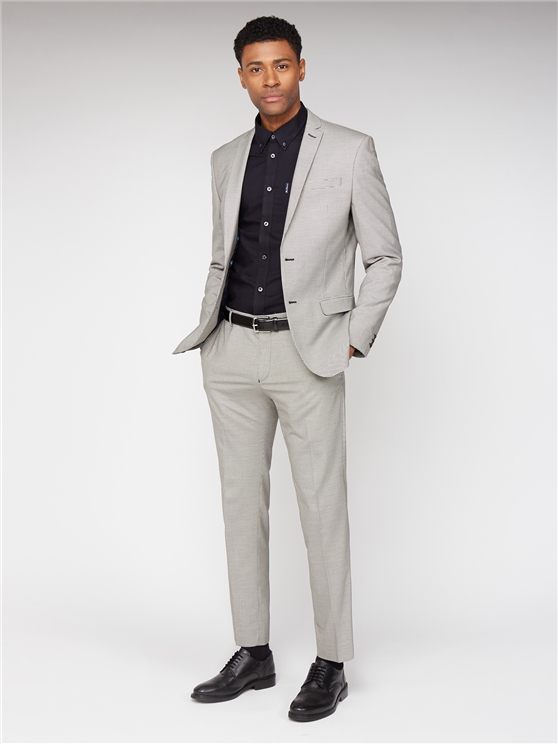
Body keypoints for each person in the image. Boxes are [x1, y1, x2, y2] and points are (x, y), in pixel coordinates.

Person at [173, 15, 402, 722]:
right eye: (255, 67)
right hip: (230, 349)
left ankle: (331, 661)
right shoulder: (224, 158)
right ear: (241, 76)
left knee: (321, 508)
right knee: (241, 506)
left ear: (301, 67)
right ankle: (253, 652)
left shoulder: (351, 150)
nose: (269, 79)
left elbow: (385, 256)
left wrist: (351, 339)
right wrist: (211, 332)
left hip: (310, 353)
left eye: (280, 65)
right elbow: (223, 253)